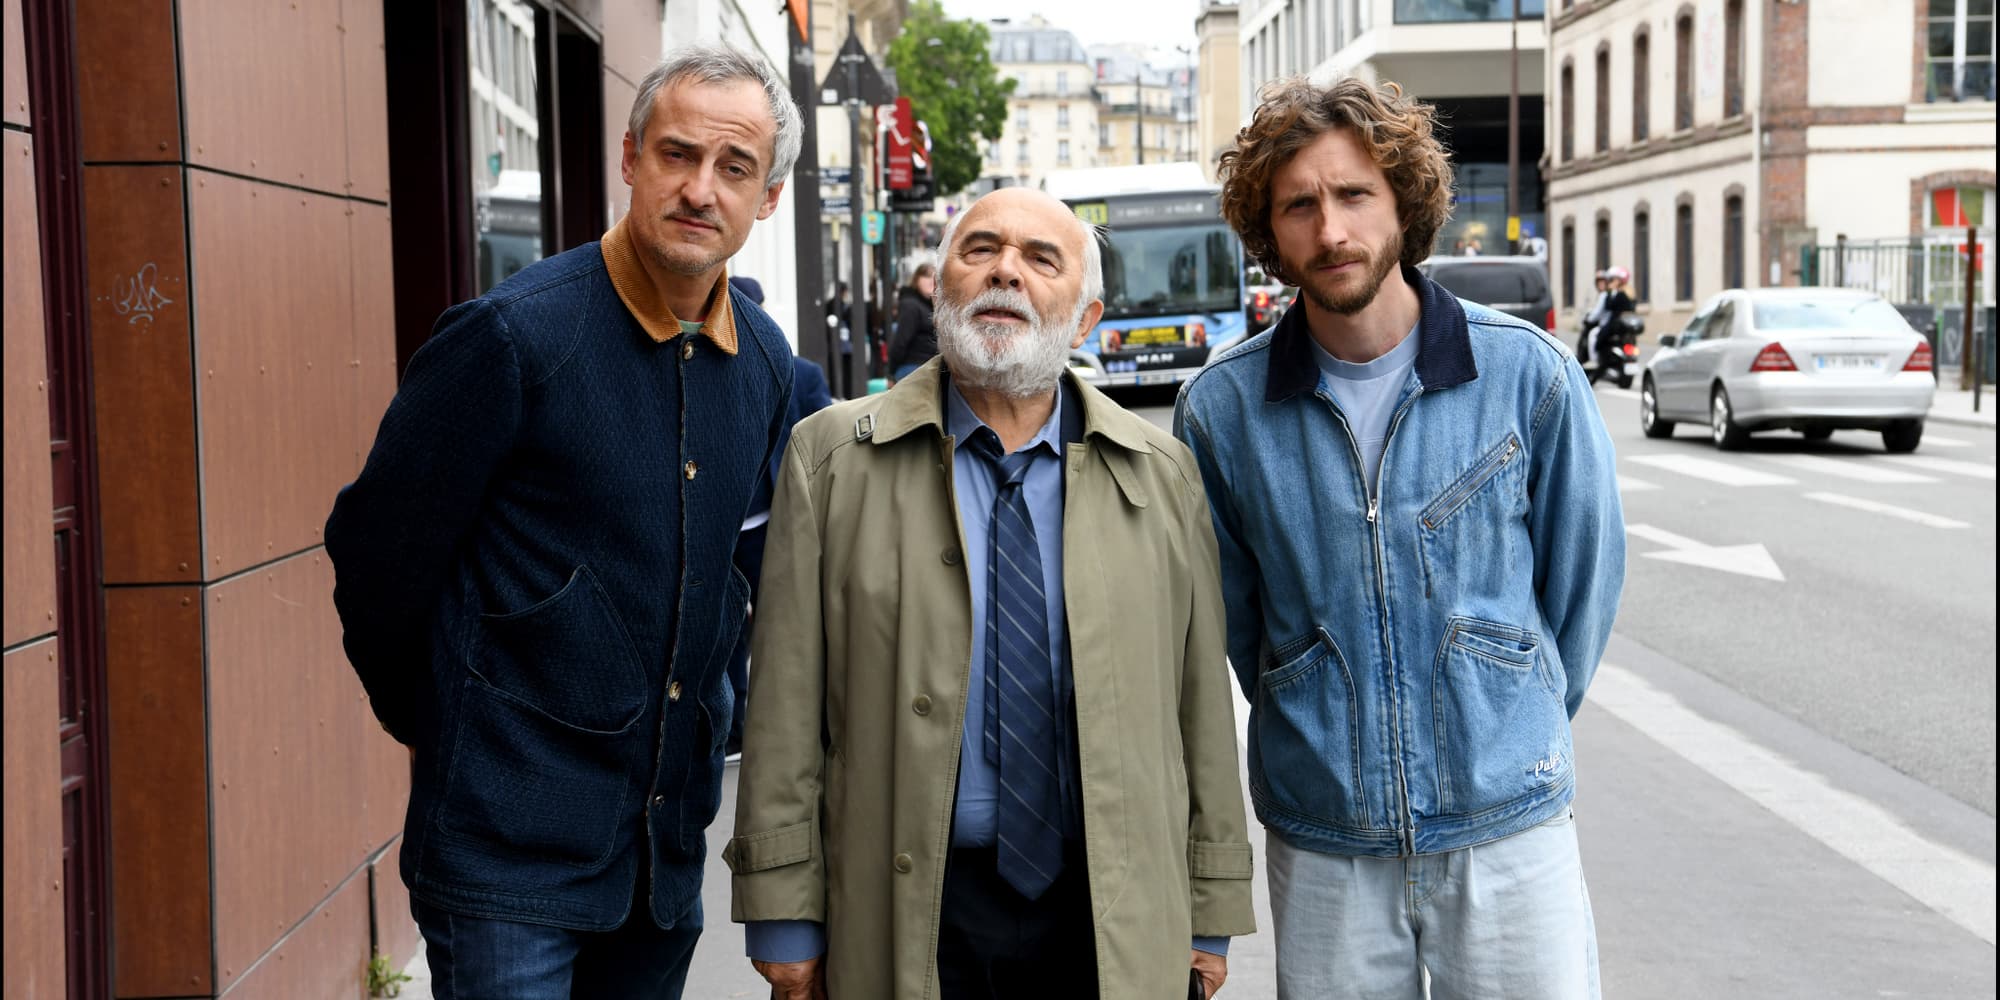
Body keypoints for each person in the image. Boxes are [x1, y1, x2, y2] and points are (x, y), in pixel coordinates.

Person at [323, 44, 802, 998]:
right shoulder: (511, 335)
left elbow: (731, 587)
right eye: (677, 154)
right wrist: (451, 727)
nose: (700, 189)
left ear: (768, 198)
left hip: (660, 867)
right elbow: (377, 555)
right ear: (629, 158)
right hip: (505, 865)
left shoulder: (763, 365)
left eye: (734, 167)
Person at [727, 186, 1257, 1000]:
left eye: (1042, 259)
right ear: (941, 288)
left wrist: (1210, 908)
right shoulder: (830, 460)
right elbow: (785, 706)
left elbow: (1201, 710)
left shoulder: (1161, 475)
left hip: (1113, 910)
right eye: (980, 250)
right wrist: (783, 913)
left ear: (1085, 320)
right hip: (904, 906)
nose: (1006, 270)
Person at [1174, 76, 1624, 999]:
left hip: (1509, 828)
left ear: (1403, 202)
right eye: (1299, 205)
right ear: (1270, 231)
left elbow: (1581, 591)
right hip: (1326, 838)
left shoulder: (1525, 375)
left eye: (1354, 195)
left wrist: (1503, 718)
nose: (1331, 230)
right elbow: (1235, 621)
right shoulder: (1221, 410)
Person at [724, 274, 835, 757]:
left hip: (772, 520)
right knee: (726, 628)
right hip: (720, 525)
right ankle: (734, 725)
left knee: (784, 623)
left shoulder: (797, 371)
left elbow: (825, 441)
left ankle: (793, 724)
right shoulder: (704, 366)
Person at [887, 258, 938, 381]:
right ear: (916, 279)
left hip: (929, 367)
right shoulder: (911, 305)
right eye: (926, 276)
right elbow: (901, 341)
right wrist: (891, 372)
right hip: (913, 368)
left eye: (934, 277)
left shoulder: (929, 305)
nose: (931, 281)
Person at [1578, 270, 1610, 363]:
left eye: (1603, 282)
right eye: (1599, 283)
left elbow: (1597, 312)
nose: (1601, 285)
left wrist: (1589, 319)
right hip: (1604, 323)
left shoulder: (1604, 295)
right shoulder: (1604, 295)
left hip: (1604, 324)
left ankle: (1594, 360)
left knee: (1592, 335)